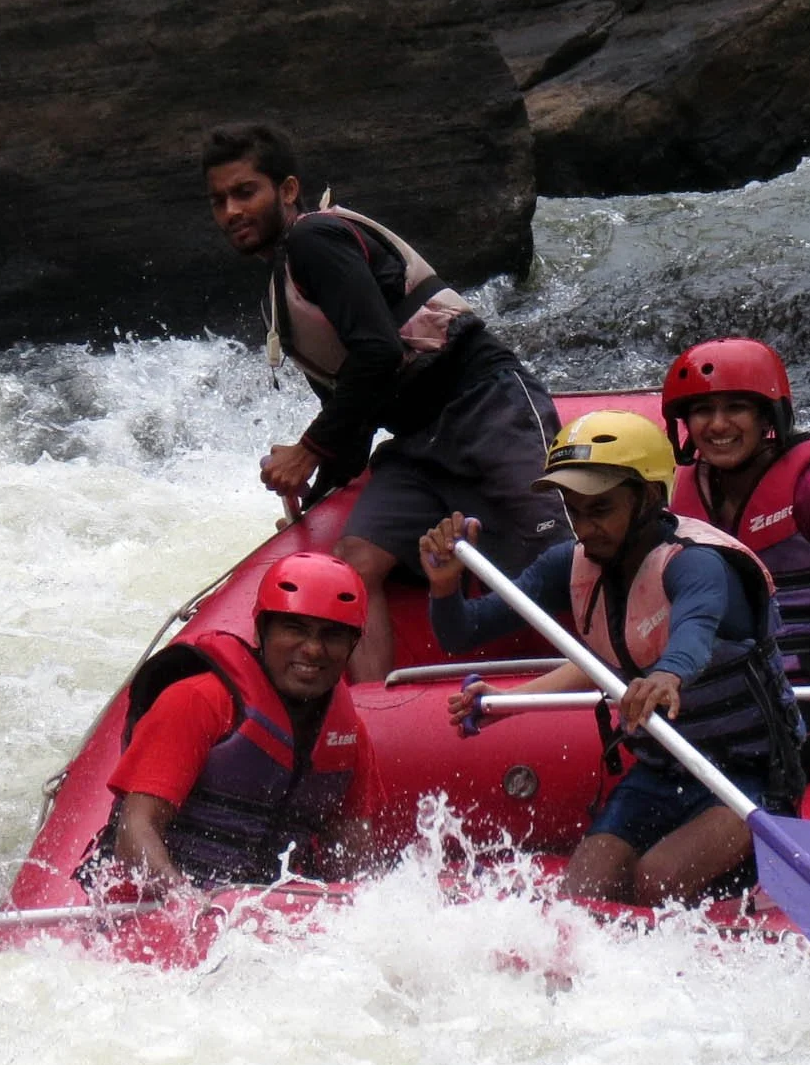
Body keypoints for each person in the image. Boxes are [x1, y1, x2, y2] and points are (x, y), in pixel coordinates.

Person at [203, 121, 569, 683]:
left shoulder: (313, 241)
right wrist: (317, 486)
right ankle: (377, 711)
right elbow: (358, 413)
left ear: (288, 189)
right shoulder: (280, 292)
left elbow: (376, 353)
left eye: (245, 192)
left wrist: (306, 448)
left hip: (484, 404)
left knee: (561, 548)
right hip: (418, 446)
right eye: (219, 200)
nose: (231, 211)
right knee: (356, 561)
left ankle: (612, 677)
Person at [418, 410, 804, 908]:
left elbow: (695, 629)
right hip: (663, 771)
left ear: (646, 498)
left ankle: (750, 875)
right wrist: (445, 585)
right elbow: (463, 632)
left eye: (599, 509)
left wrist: (668, 674)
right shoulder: (570, 563)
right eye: (573, 510)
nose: (584, 528)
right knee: (582, 897)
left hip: (750, 776)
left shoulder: (699, 564)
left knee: (654, 882)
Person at [661, 338, 810, 778]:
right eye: (702, 411)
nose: (717, 425)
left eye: (736, 407)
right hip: (729, 699)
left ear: (766, 416)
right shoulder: (685, 496)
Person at [81, 552, 371, 898]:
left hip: (269, 913)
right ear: (262, 631)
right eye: (295, 629)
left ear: (352, 646)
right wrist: (190, 907)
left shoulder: (348, 736)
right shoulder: (197, 701)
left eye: (333, 636)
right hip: (156, 907)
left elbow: (353, 851)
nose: (312, 649)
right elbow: (135, 830)